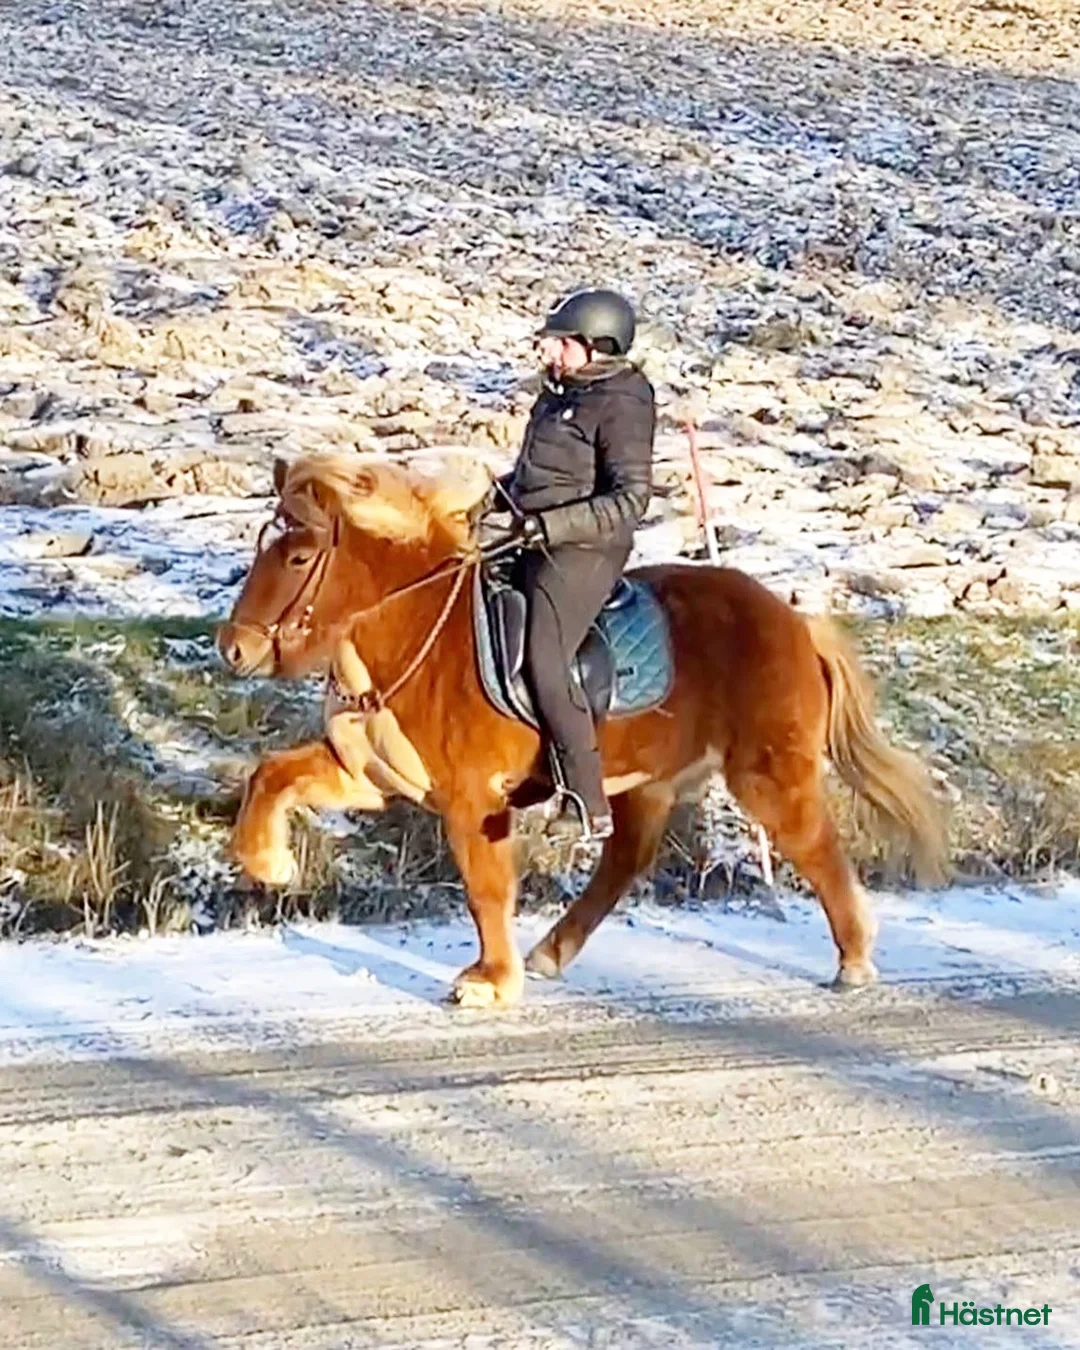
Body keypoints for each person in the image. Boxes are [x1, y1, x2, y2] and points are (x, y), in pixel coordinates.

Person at [489, 287, 656, 842]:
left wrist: (549, 527)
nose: (550, 354)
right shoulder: (558, 395)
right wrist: (496, 502)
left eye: (561, 344)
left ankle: (586, 798)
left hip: (585, 548)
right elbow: (538, 477)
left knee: (543, 655)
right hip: (529, 532)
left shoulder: (623, 400)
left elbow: (630, 499)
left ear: (597, 345)